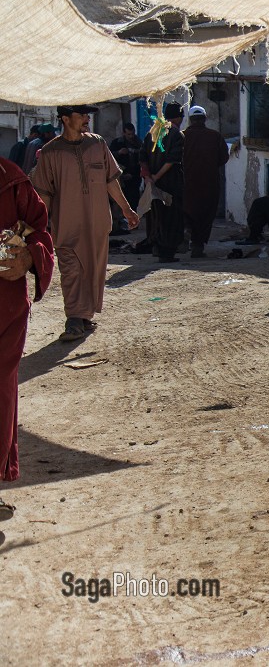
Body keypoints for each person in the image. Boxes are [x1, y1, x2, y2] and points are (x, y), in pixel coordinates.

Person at [29, 105, 139, 341]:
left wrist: (127, 209)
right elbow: (44, 194)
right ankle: (74, 319)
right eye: (82, 115)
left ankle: (84, 315)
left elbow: (111, 180)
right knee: (70, 269)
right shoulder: (50, 152)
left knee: (93, 269)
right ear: (66, 119)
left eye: (87, 115)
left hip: (98, 222)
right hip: (67, 224)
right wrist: (37, 227)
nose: (87, 119)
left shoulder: (97, 144)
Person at [0, 155, 55, 527]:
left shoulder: (10, 180)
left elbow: (39, 232)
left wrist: (29, 260)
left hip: (4, 309)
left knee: (0, 394)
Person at [181, 106, 229, 259]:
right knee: (205, 214)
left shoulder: (182, 136)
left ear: (190, 119)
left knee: (187, 209)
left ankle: (187, 228)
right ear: (204, 118)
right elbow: (223, 158)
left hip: (186, 182)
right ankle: (198, 245)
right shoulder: (215, 136)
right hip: (209, 183)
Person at [142, 103, 186, 263]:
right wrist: (157, 176)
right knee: (172, 218)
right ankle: (167, 253)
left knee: (156, 216)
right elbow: (172, 160)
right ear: (179, 118)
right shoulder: (176, 134)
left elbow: (143, 158)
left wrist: (149, 177)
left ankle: (156, 247)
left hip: (154, 186)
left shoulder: (152, 132)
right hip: (171, 184)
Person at [109, 122, 143, 213]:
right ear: (124, 133)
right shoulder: (117, 143)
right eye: (128, 134)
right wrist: (119, 152)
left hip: (134, 176)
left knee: (133, 199)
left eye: (132, 133)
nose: (131, 136)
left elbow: (142, 160)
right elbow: (109, 157)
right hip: (121, 177)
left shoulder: (139, 143)